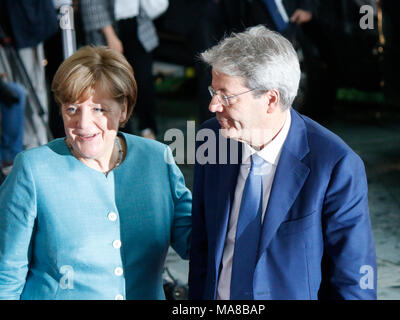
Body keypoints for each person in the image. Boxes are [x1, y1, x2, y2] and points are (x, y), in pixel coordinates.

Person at [188, 26, 377, 300]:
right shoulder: (212, 138)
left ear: (270, 100)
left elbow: (355, 279)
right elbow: (202, 248)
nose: (213, 105)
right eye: (212, 91)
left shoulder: (335, 165)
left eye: (225, 95)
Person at [0, 46, 192, 300]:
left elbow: (196, 242)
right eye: (72, 109)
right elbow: (6, 275)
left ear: (123, 109)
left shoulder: (157, 160)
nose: (83, 124)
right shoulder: (34, 170)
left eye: (99, 109)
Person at [80, 0, 160, 139]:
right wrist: (110, 35)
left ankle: (147, 128)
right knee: (113, 85)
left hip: (138, 25)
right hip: (108, 29)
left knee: (143, 81)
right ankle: (120, 133)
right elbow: (92, 3)